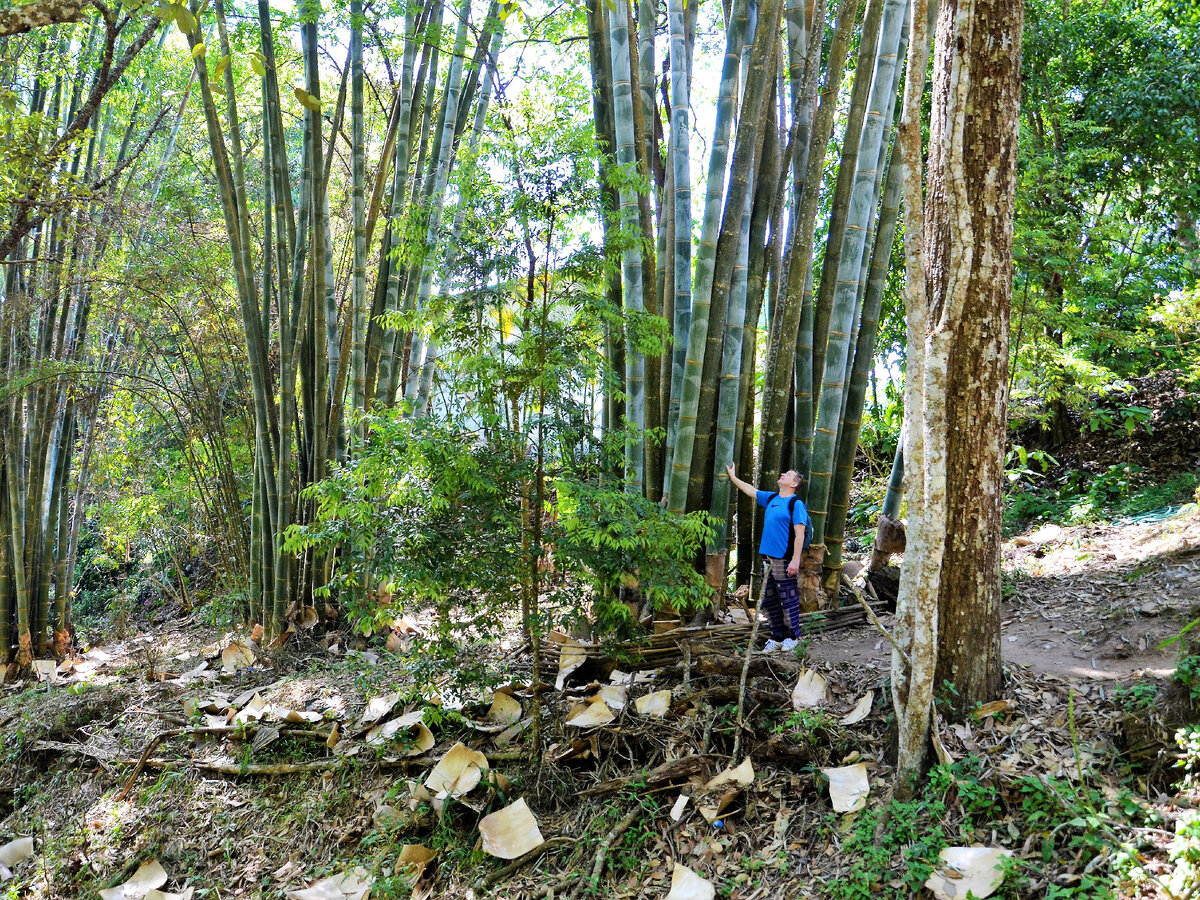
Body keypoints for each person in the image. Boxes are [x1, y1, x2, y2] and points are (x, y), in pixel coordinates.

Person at [724, 462, 813, 653]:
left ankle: (793, 636)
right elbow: (751, 491)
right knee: (769, 599)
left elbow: (800, 534)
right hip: (768, 558)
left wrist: (795, 560)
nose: (782, 474)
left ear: (794, 484)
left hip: (784, 558)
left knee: (787, 598)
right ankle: (777, 636)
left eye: (787, 474)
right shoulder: (772, 498)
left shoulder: (795, 504)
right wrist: (733, 477)